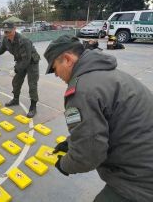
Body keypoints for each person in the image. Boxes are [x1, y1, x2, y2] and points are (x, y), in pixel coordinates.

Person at [44, 35, 153, 202]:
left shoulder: (82, 90)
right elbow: (108, 123)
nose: (56, 75)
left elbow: (88, 156)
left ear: (67, 59)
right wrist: (71, 142)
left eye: (54, 68)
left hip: (139, 180)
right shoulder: (108, 74)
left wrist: (64, 164)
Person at [0, 22, 40, 118]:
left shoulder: (24, 40)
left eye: (9, 31)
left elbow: (26, 60)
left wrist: (15, 70)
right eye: (5, 32)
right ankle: (15, 99)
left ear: (14, 29)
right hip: (20, 61)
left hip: (31, 62)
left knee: (32, 84)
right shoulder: (6, 39)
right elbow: (2, 49)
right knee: (16, 82)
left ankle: (33, 106)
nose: (7, 34)